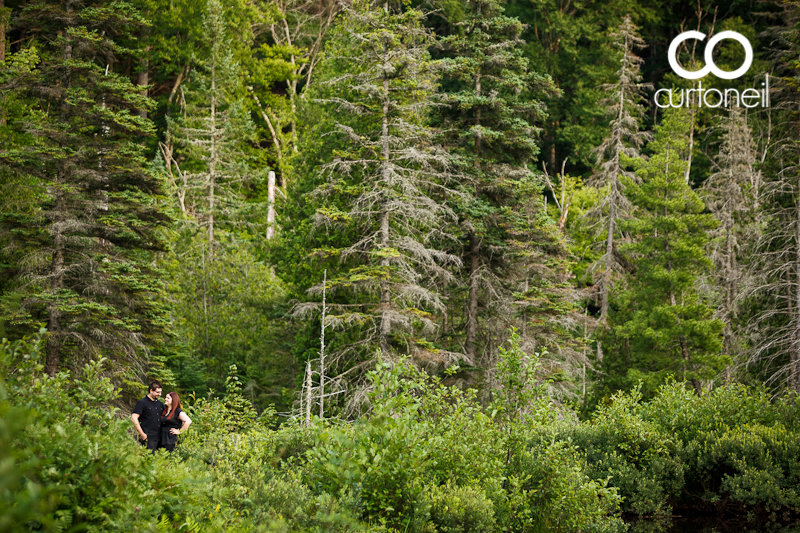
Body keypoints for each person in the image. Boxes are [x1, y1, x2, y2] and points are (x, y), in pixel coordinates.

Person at [131, 381, 164, 451]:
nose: (160, 394)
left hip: (160, 437)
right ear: (151, 391)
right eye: (158, 392)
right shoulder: (142, 403)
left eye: (160, 392)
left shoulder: (160, 404)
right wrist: (142, 434)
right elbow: (134, 418)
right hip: (148, 437)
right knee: (149, 458)